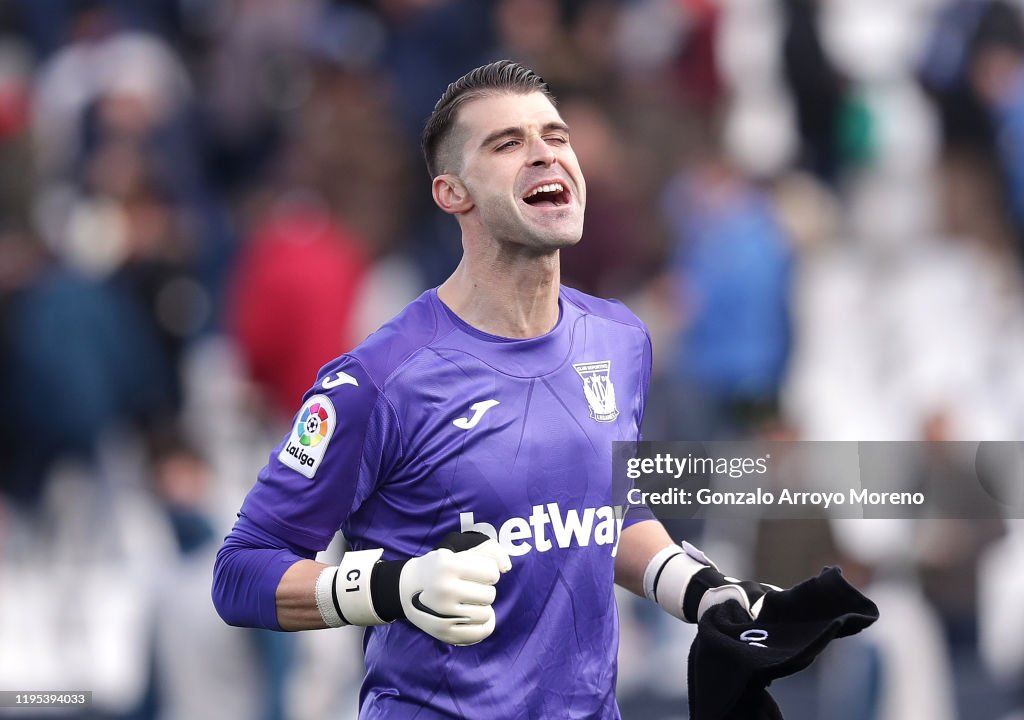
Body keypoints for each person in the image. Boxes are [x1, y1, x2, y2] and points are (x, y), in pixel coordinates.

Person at [212, 60, 775, 718]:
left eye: (556, 137)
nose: (545, 155)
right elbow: (240, 572)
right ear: (453, 193)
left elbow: (600, 509)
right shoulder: (379, 380)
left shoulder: (620, 341)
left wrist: (698, 588)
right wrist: (394, 586)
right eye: (508, 144)